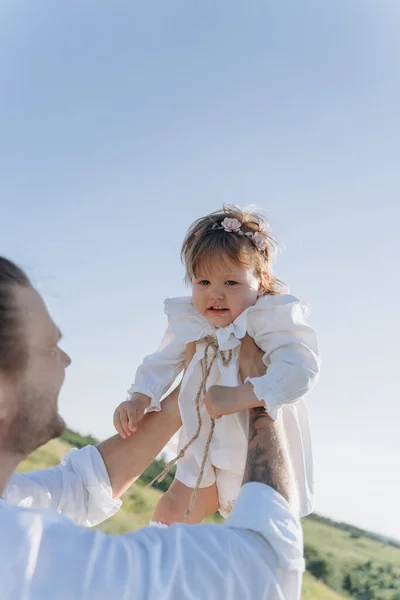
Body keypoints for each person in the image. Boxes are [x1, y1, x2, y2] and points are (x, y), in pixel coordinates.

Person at [0, 256, 305, 599]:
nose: (67, 359)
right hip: (215, 438)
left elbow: (78, 489)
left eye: (230, 283)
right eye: (48, 348)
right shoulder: (23, 558)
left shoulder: (271, 320)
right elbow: (264, 571)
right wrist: (258, 397)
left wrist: (187, 390)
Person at [114, 206, 320, 524]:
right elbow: (162, 361)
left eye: (231, 283)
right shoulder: (193, 322)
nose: (215, 294)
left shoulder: (267, 320)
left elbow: (300, 370)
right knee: (171, 510)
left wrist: (245, 395)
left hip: (252, 450)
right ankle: (154, 570)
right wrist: (140, 396)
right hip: (201, 444)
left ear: (262, 281)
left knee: (251, 532)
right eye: (204, 282)